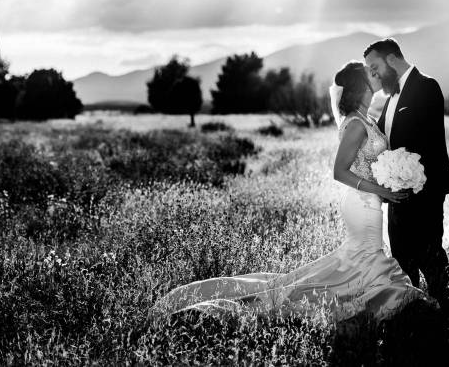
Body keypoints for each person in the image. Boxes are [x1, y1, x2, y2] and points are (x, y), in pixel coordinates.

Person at [152, 61, 426, 323]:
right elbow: (339, 172)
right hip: (361, 203)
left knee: (361, 255)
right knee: (366, 254)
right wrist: (380, 188)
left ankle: (376, 291)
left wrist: (395, 174)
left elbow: (368, 162)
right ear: (361, 86)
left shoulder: (364, 118)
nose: (377, 76)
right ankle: (382, 296)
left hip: (370, 200)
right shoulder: (355, 124)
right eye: (371, 75)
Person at [364, 38, 449, 313]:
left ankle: (446, 314)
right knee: (402, 259)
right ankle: (411, 313)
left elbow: (426, 143)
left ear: (392, 59)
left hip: (423, 192)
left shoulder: (426, 87)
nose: (374, 74)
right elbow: (383, 139)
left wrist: (402, 174)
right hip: (395, 194)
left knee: (430, 256)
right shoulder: (391, 96)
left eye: (375, 66)